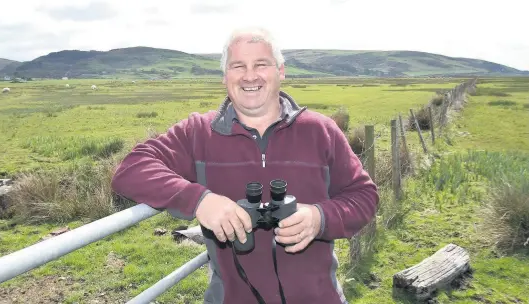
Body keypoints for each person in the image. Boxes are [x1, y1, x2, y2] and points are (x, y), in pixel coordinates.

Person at [111, 27, 379, 304]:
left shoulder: (320, 131)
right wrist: (201, 201)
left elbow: (364, 196)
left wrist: (319, 218)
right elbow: (132, 168)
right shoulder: (199, 132)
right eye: (238, 66)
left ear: (281, 71)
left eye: (261, 64)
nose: (250, 76)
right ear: (225, 76)